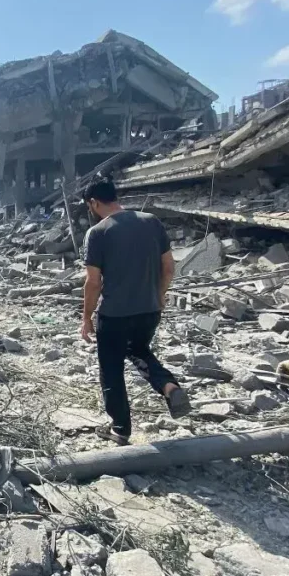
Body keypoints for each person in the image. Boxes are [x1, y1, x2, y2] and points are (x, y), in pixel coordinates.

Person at [80, 176, 191, 445]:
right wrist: (160, 296)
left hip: (115, 315)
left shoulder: (97, 233)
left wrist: (86, 318)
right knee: (139, 351)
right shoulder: (151, 221)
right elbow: (169, 267)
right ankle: (168, 386)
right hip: (149, 310)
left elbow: (93, 282)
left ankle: (120, 428)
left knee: (112, 368)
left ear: (94, 202)